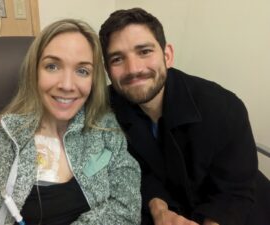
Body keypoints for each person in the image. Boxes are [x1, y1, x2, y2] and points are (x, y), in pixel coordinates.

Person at [99, 7, 270, 225]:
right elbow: (133, 174)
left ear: (167, 55)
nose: (134, 69)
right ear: (107, 70)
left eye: (144, 51)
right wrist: (160, 210)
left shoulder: (224, 107)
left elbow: (235, 191)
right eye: (117, 59)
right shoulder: (106, 110)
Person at [0, 19, 141, 225]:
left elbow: (127, 208)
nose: (67, 85)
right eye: (52, 66)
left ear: (93, 80)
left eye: (82, 71)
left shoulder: (105, 130)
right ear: (34, 72)